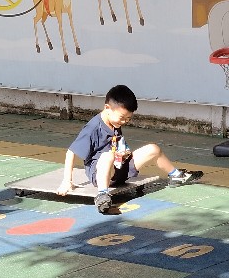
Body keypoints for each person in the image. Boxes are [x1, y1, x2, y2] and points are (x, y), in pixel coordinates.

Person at [57, 84, 202, 213]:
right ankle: (102, 195)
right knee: (108, 155)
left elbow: (118, 144)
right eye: (122, 117)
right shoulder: (93, 127)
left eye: (128, 118)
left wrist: (124, 153)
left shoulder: (115, 123)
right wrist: (66, 181)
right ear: (107, 108)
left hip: (120, 168)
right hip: (100, 174)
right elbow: (71, 152)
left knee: (153, 149)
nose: (124, 121)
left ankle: (176, 175)